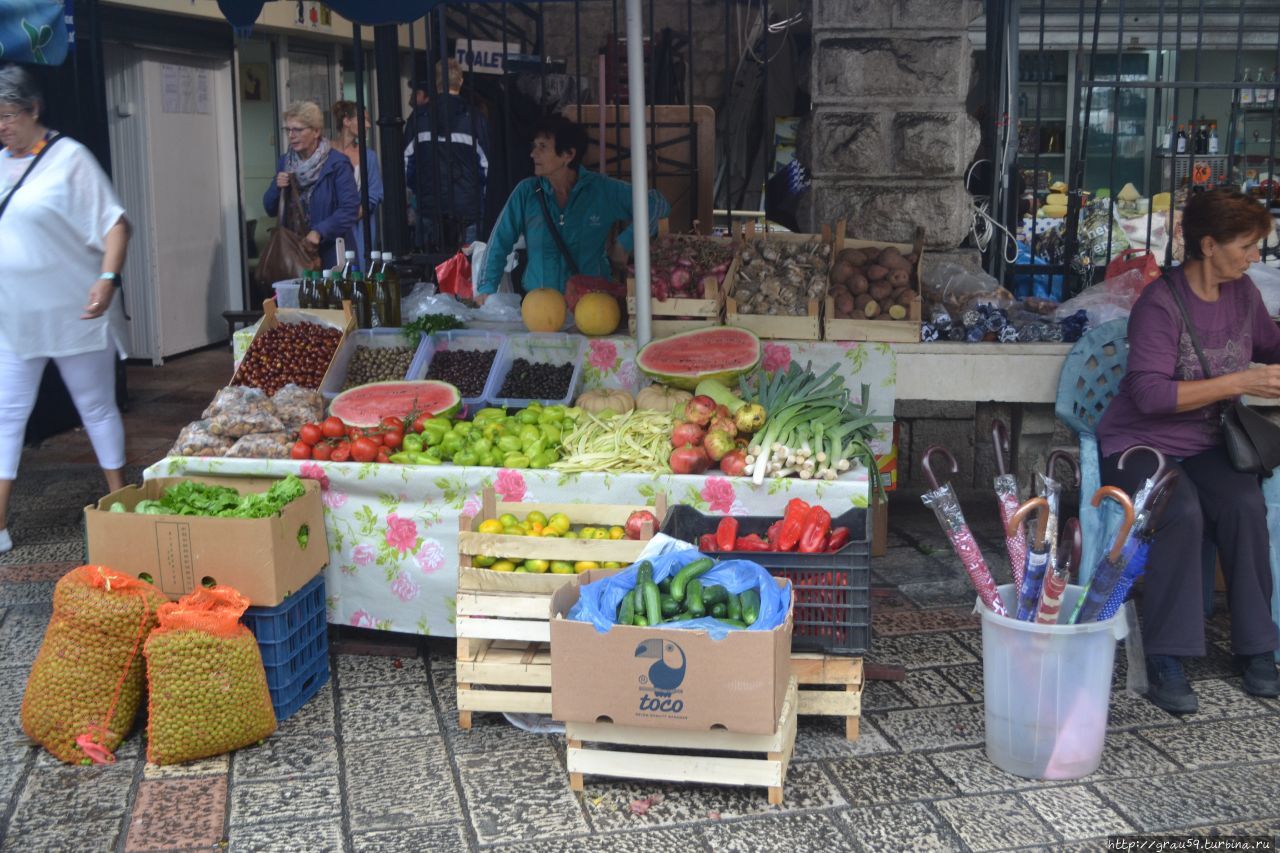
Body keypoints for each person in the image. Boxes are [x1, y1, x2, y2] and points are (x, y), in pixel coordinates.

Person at [1097, 188, 1280, 713]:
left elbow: (1268, 344)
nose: (1253, 258)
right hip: (1138, 443)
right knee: (1180, 511)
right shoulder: (1160, 305)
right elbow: (1150, 396)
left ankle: (1257, 647)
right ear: (1208, 245)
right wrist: (1238, 381)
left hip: (1203, 441)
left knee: (1244, 505)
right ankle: (1167, 655)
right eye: (1245, 246)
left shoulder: (1243, 294)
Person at [0, 64, 131, 555]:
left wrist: (107, 278)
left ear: (34, 110)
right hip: (14, 318)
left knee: (95, 408)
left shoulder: (68, 158)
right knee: (6, 416)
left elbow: (116, 224)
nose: (2, 126)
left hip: (76, 312)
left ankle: (120, 502)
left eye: (9, 115)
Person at [476, 115, 670, 302]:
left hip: (595, 303)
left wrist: (625, 243)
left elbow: (657, 204)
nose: (533, 154)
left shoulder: (601, 189)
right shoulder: (526, 192)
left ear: (568, 155)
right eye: (534, 146)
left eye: (542, 147)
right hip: (540, 306)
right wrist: (486, 289)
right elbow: (499, 241)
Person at [405, 59, 490, 249]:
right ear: (460, 82)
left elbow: (406, 165)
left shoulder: (419, 118)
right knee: (468, 271)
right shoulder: (475, 118)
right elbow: (486, 166)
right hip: (468, 207)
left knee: (429, 269)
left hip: (429, 205)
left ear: (435, 84)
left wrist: (418, 190)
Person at [263, 101, 358, 270]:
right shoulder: (286, 162)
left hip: (330, 254)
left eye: (298, 130)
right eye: (288, 130)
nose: (291, 135)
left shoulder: (337, 164)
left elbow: (349, 209)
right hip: (294, 255)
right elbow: (269, 208)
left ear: (316, 131)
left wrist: (320, 231)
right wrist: (276, 188)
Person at [332, 100, 383, 267]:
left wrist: (351, 215)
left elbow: (375, 193)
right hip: (332, 227)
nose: (368, 125)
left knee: (359, 273)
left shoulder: (368, 156)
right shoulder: (327, 152)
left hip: (361, 226)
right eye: (364, 120)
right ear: (346, 121)